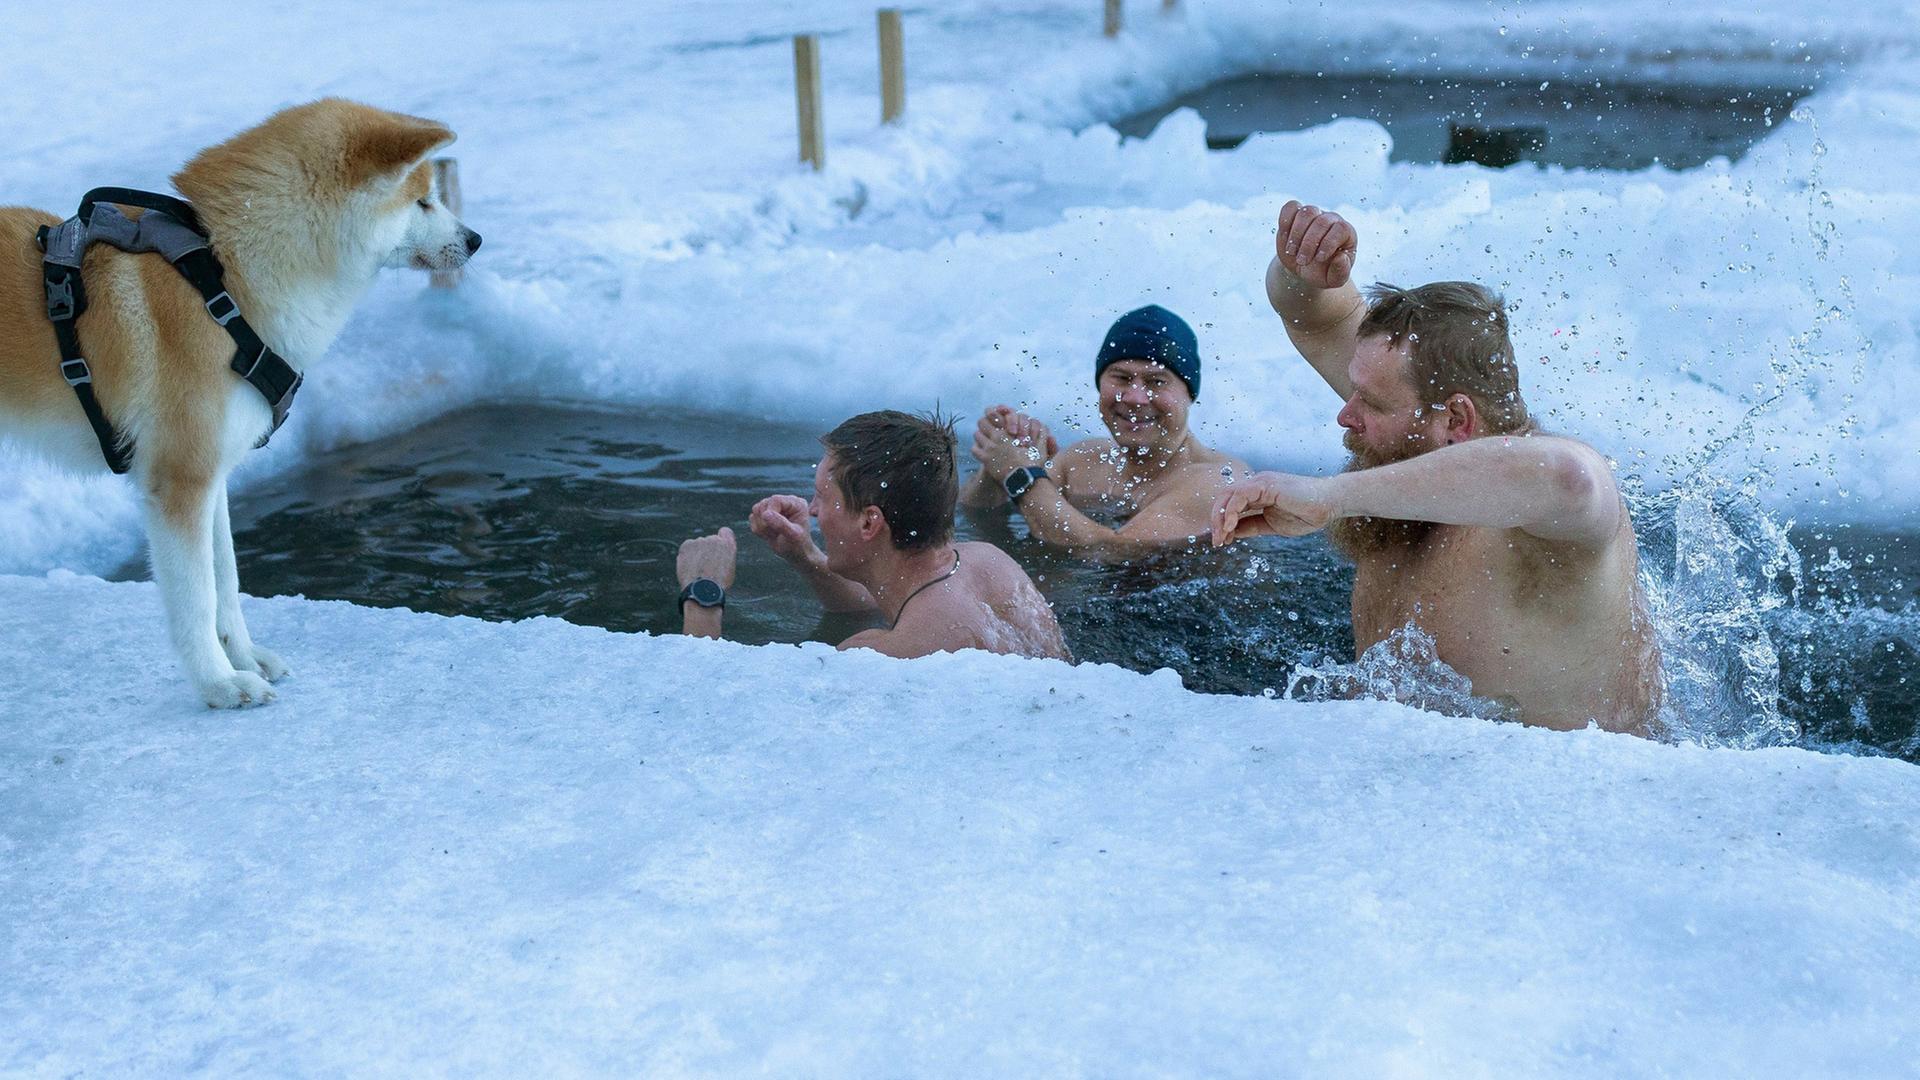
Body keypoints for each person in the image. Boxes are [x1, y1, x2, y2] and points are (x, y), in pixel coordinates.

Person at [1210, 200, 1662, 733]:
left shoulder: (1547, 524)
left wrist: (1328, 496)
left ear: (1457, 419)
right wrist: (1301, 268)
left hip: (1567, 781)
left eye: (1369, 403)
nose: (1344, 414)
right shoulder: (1408, 434)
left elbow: (1568, 477)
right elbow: (1316, 314)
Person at [675, 410, 1072, 661]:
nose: (812, 510)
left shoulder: (878, 656)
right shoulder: (990, 563)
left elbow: (718, 721)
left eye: (822, 497)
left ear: (869, 523)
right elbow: (884, 601)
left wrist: (703, 592)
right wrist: (805, 556)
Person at [962, 305, 1249, 561]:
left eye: (1157, 382)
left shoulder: (1219, 482)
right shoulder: (1081, 460)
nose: (1135, 397)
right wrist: (999, 460)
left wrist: (1021, 475)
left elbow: (1113, 551)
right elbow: (975, 515)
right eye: (1122, 378)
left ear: (1189, 394)